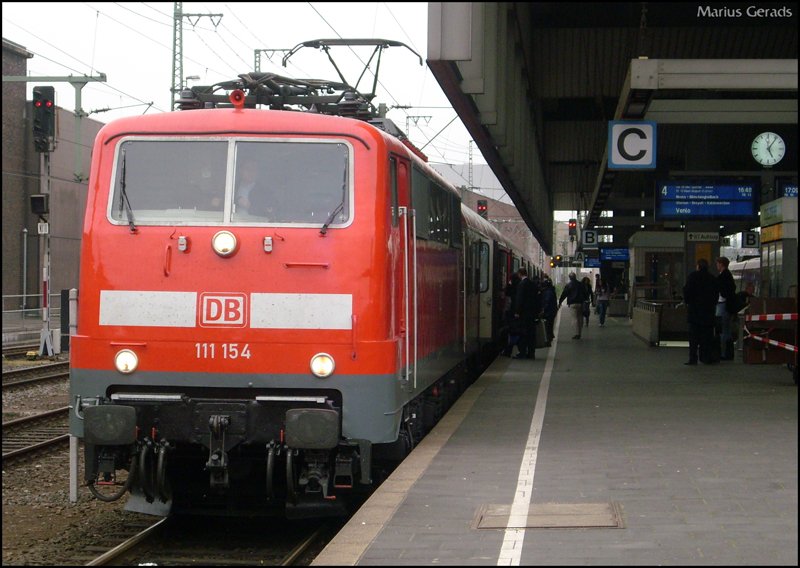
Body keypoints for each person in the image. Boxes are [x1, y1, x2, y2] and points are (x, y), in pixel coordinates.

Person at [682, 258, 719, 365]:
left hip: (694, 313)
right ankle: (706, 357)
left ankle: (693, 358)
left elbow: (687, 291)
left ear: (698, 266)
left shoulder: (693, 277)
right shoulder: (712, 278)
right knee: (706, 337)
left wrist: (688, 302)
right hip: (708, 313)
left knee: (693, 338)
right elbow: (716, 295)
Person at [513, 268, 541, 359]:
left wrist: (517, 311)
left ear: (520, 274)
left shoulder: (521, 284)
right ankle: (531, 353)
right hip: (532, 313)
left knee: (523, 334)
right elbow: (537, 299)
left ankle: (522, 353)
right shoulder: (532, 284)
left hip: (524, 314)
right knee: (531, 334)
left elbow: (519, 299)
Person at [715, 256, 736, 361]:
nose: (717, 266)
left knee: (722, 329)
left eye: (718, 264)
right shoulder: (728, 275)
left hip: (723, 304)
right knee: (727, 330)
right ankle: (728, 352)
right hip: (728, 305)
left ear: (721, 264)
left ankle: (723, 353)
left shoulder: (723, 276)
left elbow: (723, 291)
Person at [558, 272, 588, 339]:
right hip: (580, 303)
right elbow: (585, 293)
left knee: (575, 318)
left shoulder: (568, 285)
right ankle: (579, 333)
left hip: (572, 303)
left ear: (570, 277)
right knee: (580, 318)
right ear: (575, 277)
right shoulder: (581, 284)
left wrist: (560, 302)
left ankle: (576, 333)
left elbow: (564, 294)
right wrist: (586, 300)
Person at [502, 273, 521, 357]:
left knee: (511, 332)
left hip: (511, 313)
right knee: (517, 332)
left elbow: (507, 300)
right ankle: (519, 349)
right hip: (518, 313)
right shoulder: (520, 286)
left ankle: (508, 351)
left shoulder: (510, 288)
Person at [540, 277, 558, 346]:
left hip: (548, 312)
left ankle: (548, 340)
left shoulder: (548, 292)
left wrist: (543, 310)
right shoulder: (551, 290)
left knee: (547, 326)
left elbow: (547, 302)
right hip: (552, 311)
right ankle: (549, 337)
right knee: (550, 325)